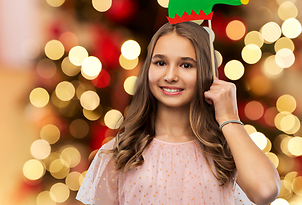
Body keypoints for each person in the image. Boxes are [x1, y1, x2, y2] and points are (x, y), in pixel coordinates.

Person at [76, 22, 280, 205]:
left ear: (206, 73)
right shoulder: (121, 153)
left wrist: (229, 118)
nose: (171, 76)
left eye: (186, 65)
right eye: (161, 63)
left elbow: (265, 191)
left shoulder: (228, 151)